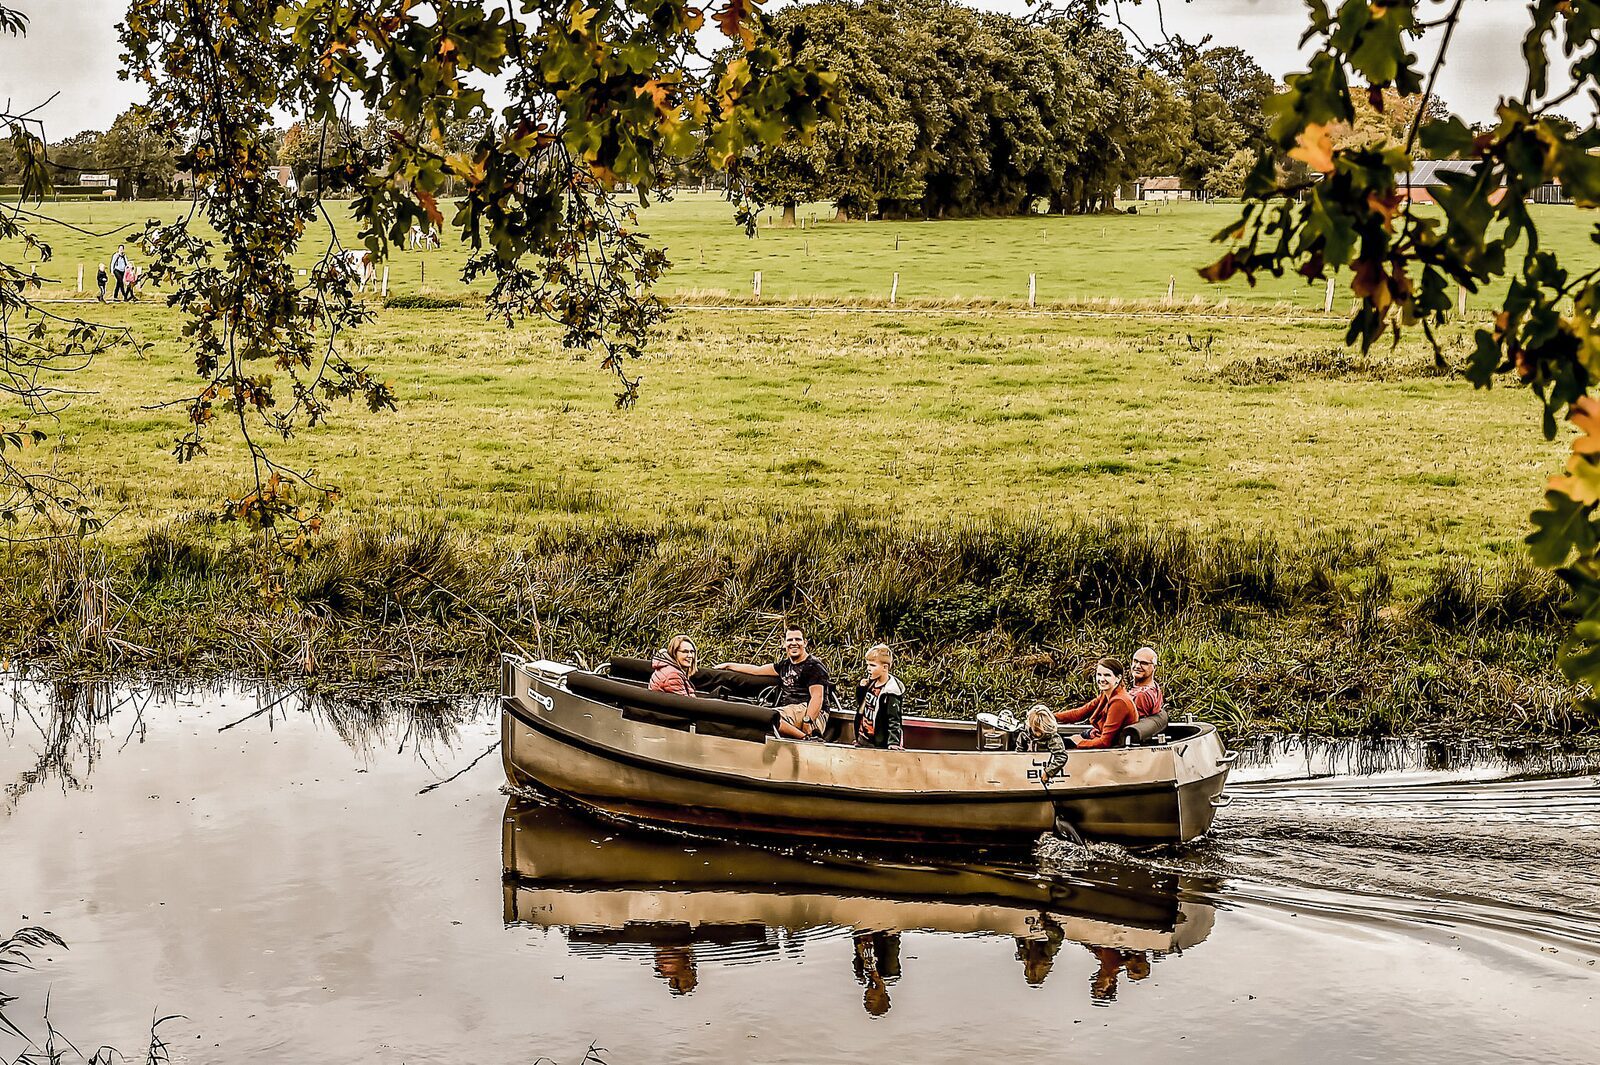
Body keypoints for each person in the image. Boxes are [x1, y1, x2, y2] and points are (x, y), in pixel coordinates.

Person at [714, 624, 830, 739]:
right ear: (784, 643)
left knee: (770, 717)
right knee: (760, 718)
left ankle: (807, 739)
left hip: (810, 712)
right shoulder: (784, 665)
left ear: (805, 643)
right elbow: (756, 670)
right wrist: (728, 665)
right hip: (790, 711)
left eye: (798, 639)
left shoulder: (814, 666)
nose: (794, 643)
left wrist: (807, 721)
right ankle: (802, 737)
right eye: (790, 640)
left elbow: (817, 697)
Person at [1054, 657, 1138, 749]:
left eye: (1107, 675)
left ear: (1118, 678)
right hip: (1096, 735)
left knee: (1059, 745)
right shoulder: (1107, 694)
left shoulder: (1119, 702)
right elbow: (1079, 713)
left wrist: (1080, 742)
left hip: (1111, 749)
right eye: (1099, 674)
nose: (1102, 679)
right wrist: (1051, 716)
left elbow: (1105, 742)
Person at [853, 643, 904, 750]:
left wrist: (893, 742)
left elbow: (894, 719)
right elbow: (861, 704)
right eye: (867, 665)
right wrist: (861, 688)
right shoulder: (870, 684)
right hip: (863, 737)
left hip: (878, 741)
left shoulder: (891, 692)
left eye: (872, 665)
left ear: (885, 667)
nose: (868, 669)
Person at [1018, 704, 1068, 778]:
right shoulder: (1024, 734)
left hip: (1044, 766)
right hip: (1030, 766)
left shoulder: (1053, 737)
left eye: (1041, 731)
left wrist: (1048, 772)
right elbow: (1019, 750)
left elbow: (1061, 756)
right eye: (1036, 730)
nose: (1038, 734)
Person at [1129, 646, 1164, 718]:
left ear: (1154, 667)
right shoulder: (1155, 687)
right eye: (1135, 661)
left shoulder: (1141, 695)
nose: (1137, 666)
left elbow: (1135, 725)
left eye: (1144, 663)